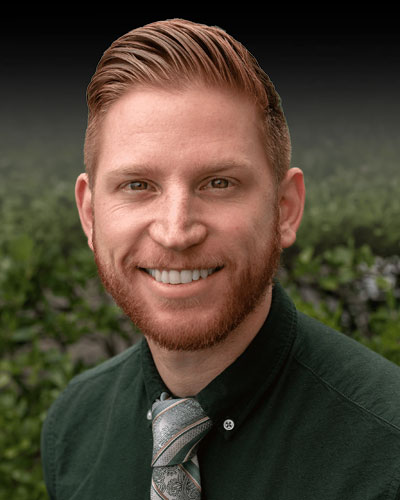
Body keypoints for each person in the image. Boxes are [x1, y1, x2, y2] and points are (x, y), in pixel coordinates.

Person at [41, 19, 400, 500]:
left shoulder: (388, 453)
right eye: (138, 185)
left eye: (219, 183)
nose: (176, 232)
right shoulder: (73, 426)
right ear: (89, 215)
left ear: (285, 209)